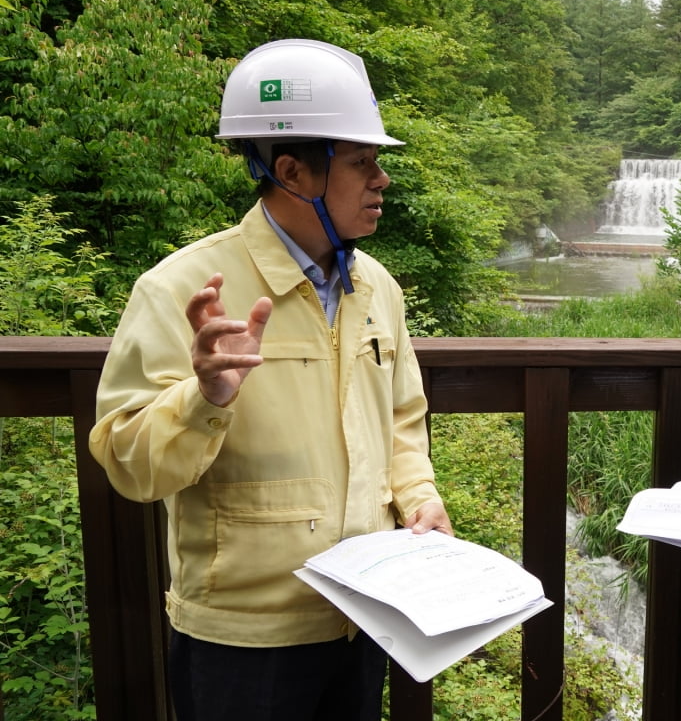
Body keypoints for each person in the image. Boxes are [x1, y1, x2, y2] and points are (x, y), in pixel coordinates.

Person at [89, 39, 452, 720]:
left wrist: (419, 497)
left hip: (362, 617)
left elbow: (402, 422)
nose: (383, 180)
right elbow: (129, 464)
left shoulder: (376, 288)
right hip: (242, 640)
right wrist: (204, 398)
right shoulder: (182, 290)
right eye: (362, 162)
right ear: (292, 170)